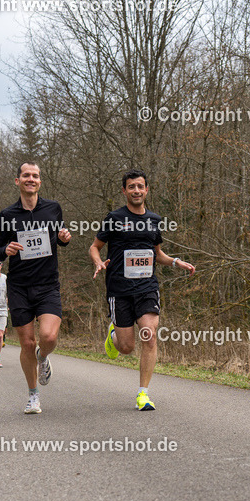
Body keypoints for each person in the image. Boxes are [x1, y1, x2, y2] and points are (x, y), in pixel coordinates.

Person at [89, 169, 194, 410]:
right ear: (124, 190)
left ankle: (143, 394)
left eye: (140, 186)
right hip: (119, 289)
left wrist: (177, 262)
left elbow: (157, 254)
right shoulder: (114, 218)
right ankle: (113, 335)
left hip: (147, 287)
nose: (136, 191)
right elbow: (94, 247)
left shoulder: (155, 220)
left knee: (149, 333)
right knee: (126, 347)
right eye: (131, 187)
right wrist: (97, 261)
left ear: (147, 190)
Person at [0, 162, 71, 414]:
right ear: (18, 181)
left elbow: (60, 237)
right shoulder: (7, 215)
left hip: (47, 285)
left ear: (40, 182)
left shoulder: (53, 208)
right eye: (26, 175)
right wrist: (6, 250)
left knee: (48, 337)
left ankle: (43, 357)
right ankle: (33, 395)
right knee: (26, 343)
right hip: (19, 287)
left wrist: (64, 238)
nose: (31, 179)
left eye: (35, 176)